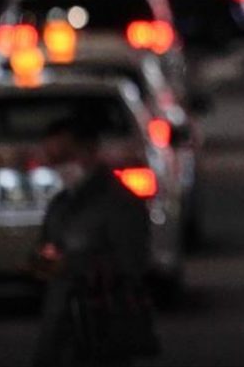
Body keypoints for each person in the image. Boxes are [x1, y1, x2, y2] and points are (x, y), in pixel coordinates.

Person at [32, 118, 155, 367]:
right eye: (52, 158)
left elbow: (132, 264)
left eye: (65, 156)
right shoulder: (61, 204)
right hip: (60, 329)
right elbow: (43, 253)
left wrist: (73, 264)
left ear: (90, 150)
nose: (58, 165)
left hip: (102, 328)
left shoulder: (119, 202)